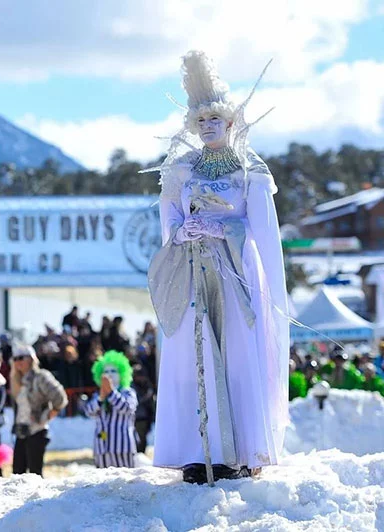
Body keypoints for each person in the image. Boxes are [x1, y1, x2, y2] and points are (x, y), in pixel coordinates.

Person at [148, 51, 289, 484]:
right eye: (201, 121)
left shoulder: (250, 171)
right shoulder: (181, 170)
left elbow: (262, 232)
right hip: (193, 274)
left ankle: (244, 450)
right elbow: (168, 215)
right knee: (194, 355)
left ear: (230, 123)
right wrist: (181, 231)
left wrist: (227, 228)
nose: (208, 126)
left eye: (216, 119)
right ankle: (198, 451)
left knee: (239, 353)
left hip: (234, 277)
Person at [9, 344, 68, 476]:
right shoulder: (16, 380)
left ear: (31, 359)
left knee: (35, 473)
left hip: (37, 430)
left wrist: (47, 415)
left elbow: (60, 397)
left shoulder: (41, 376)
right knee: (17, 474)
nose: (18, 362)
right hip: (21, 430)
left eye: (21, 358)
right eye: (15, 359)